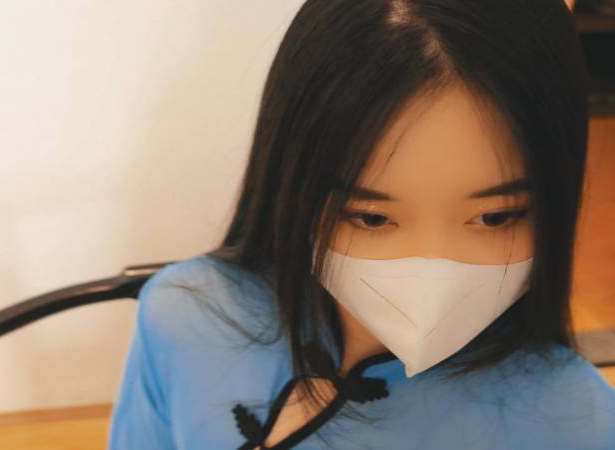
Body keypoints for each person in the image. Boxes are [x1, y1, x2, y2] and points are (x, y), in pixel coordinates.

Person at [107, 0, 615, 449]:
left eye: (495, 216)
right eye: (371, 217)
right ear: (291, 183)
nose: (430, 273)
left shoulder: (578, 422)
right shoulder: (187, 316)